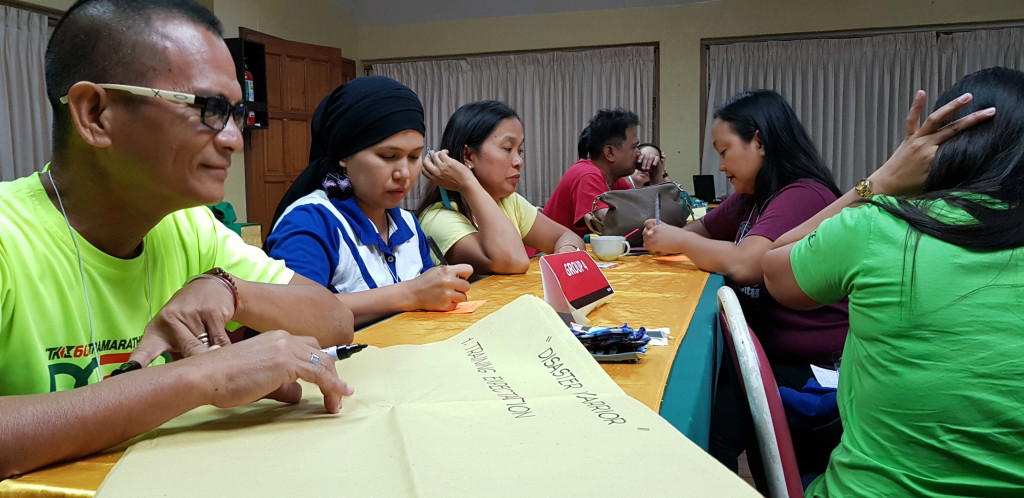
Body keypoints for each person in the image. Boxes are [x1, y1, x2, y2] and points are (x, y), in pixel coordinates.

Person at [0, 0, 355, 479]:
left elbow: (336, 320)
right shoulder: (9, 235)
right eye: (209, 108)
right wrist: (205, 376)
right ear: (96, 114)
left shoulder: (190, 226)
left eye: (237, 113)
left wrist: (230, 289)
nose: (233, 138)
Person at [764, 68, 1017, 495]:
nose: (722, 164)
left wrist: (879, 183)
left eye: (726, 150)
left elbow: (772, 266)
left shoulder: (875, 227)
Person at [642, 90, 849, 480]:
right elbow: (699, 230)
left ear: (760, 141)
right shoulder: (751, 197)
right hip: (768, 350)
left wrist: (680, 240)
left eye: (724, 151)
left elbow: (747, 264)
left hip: (812, 367)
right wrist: (671, 234)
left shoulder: (803, 194)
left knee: (711, 424)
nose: (720, 166)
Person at [265, 77, 472, 327]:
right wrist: (411, 294)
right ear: (345, 155)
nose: (404, 173)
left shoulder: (407, 223)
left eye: (414, 156)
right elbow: (293, 312)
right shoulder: (311, 222)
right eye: (388, 156)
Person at [415, 100, 584, 274]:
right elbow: (513, 261)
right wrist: (468, 182)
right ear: (468, 156)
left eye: (520, 151)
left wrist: (564, 258)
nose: (519, 161)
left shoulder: (508, 201)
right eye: (507, 148)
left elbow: (567, 237)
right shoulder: (438, 218)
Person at [542, 108, 666, 237]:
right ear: (610, 153)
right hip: (546, 256)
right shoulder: (587, 175)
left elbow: (653, 214)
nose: (638, 154)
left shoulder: (614, 180)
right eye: (634, 148)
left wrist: (656, 174)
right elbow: (608, 226)